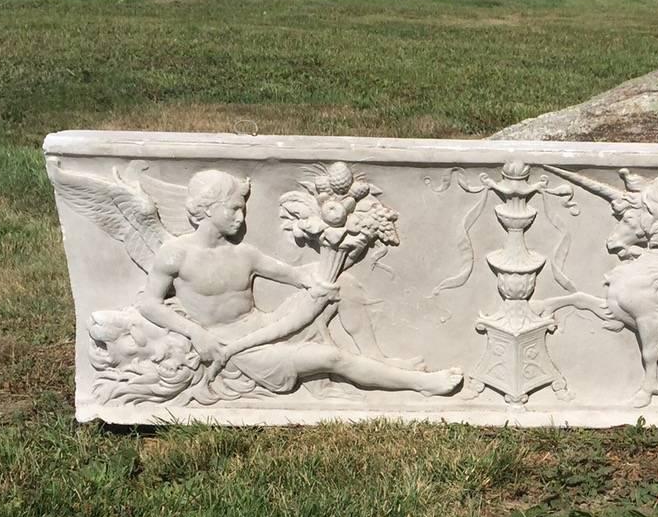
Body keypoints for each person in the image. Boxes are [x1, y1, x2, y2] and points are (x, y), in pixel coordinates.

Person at [138, 170, 462, 397]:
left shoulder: (244, 254)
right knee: (331, 359)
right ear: (206, 209)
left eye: (244, 209)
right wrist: (197, 334)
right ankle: (419, 384)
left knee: (342, 284)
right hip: (236, 347)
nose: (241, 217)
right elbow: (148, 303)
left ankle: (377, 358)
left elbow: (297, 276)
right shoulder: (175, 255)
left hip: (265, 325)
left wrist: (321, 279)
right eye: (234, 208)